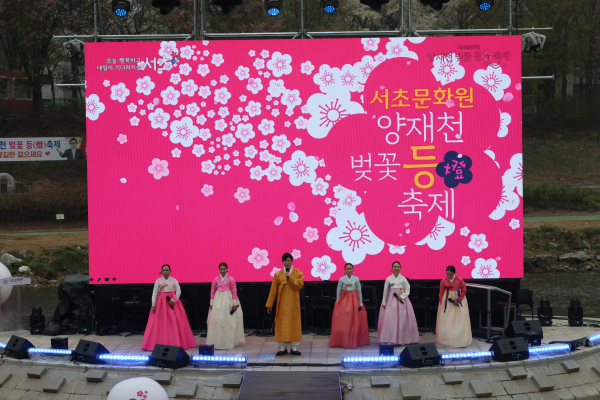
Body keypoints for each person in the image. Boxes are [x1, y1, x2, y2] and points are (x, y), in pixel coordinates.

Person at [141, 264, 196, 351]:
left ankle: (176, 342)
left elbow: (178, 291)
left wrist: (173, 300)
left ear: (170, 271)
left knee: (174, 322)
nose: (165, 271)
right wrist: (153, 305)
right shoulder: (158, 281)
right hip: (161, 304)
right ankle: (159, 342)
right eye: (164, 270)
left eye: (167, 270)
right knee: (160, 322)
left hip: (173, 303)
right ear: (161, 271)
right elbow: (154, 293)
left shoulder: (174, 280)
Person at [266, 252, 304, 356]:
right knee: (282, 324)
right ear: (282, 262)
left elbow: (300, 284)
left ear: (292, 261)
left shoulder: (297, 272)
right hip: (282, 304)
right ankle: (282, 347)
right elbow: (273, 290)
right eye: (285, 261)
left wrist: (290, 278)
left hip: (293, 303)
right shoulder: (278, 274)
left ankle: (294, 347)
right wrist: (269, 304)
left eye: (289, 260)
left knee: (294, 323)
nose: (287, 262)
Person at [377, 261, 420, 345]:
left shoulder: (403, 279)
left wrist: (402, 296)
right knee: (390, 320)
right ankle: (390, 339)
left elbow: (408, 289)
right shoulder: (388, 279)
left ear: (400, 268)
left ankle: (402, 340)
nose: (396, 268)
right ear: (392, 268)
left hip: (401, 302)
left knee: (402, 320)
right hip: (391, 301)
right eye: (394, 267)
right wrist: (384, 303)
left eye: (397, 267)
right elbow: (385, 291)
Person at [330, 263, 369, 348]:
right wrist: (338, 302)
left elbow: (359, 291)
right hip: (344, 300)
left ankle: (355, 339)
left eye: (350, 268)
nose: (349, 270)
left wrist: (360, 303)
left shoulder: (356, 279)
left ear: (353, 269)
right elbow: (338, 291)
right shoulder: (341, 280)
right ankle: (344, 339)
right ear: (345, 270)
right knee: (345, 320)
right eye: (347, 269)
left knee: (354, 320)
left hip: (354, 300)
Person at [206, 262, 245, 349]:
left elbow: (234, 291)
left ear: (227, 269)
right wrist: (211, 303)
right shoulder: (216, 279)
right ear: (218, 270)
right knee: (217, 320)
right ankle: (217, 342)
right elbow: (212, 291)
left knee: (229, 321)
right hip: (218, 301)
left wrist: (234, 304)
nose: (222, 270)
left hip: (228, 300)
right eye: (221, 269)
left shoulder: (231, 279)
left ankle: (229, 342)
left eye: (224, 269)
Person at [435, 265, 472, 348]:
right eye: (447, 274)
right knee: (446, 319)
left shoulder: (460, 280)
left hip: (458, 300)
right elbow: (441, 292)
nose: (448, 276)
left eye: (450, 274)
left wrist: (458, 300)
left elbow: (464, 291)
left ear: (454, 272)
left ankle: (460, 340)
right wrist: (441, 302)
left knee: (460, 319)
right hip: (446, 301)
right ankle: (446, 340)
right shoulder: (443, 281)